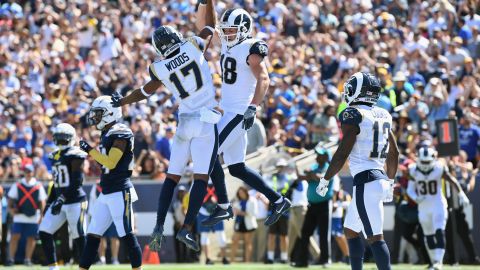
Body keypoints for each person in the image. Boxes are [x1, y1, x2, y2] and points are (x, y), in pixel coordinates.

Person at [112, 20, 222, 251]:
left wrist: (122, 101)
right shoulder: (193, 46)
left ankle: (159, 225)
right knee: (201, 178)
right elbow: (210, 26)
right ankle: (187, 228)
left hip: (184, 122)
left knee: (172, 178)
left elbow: (145, 92)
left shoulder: (158, 67)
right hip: (206, 119)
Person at [196, 4, 291, 230]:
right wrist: (204, 3)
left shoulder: (250, 46)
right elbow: (204, 25)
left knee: (208, 151)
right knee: (237, 168)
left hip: (239, 112)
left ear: (244, 29)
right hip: (228, 111)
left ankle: (223, 204)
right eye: (226, 29)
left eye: (231, 30)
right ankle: (278, 200)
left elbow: (264, 79)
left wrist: (253, 107)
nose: (227, 34)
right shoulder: (230, 44)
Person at [316, 72, 400, 270]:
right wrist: (390, 180)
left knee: (375, 237)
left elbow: (343, 152)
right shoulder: (383, 114)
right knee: (351, 230)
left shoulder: (353, 114)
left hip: (366, 181)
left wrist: (326, 178)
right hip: (378, 178)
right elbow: (394, 153)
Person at [78, 95, 142, 270]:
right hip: (106, 191)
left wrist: (90, 150)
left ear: (110, 113)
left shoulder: (121, 131)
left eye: (99, 113)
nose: (95, 117)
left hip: (120, 190)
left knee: (127, 235)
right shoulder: (106, 132)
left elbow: (111, 162)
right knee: (92, 235)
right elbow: (105, 163)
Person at [406, 146, 470, 269]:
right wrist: (415, 197)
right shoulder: (413, 169)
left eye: (427, 161)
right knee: (428, 235)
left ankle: (438, 262)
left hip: (438, 205)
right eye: (423, 161)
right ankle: (434, 261)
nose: (425, 164)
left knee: (439, 231)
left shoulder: (439, 168)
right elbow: (410, 189)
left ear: (433, 158)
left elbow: (452, 180)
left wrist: (461, 193)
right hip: (423, 207)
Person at [39, 123, 88, 270]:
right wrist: (50, 202)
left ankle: (85, 267)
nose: (60, 142)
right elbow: (56, 183)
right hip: (61, 201)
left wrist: (61, 198)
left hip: (75, 201)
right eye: (58, 138)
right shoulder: (55, 155)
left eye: (63, 139)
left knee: (79, 235)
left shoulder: (75, 154)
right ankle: (53, 267)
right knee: (44, 231)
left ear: (71, 138)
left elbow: (76, 182)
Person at [292, 147, 340, 267]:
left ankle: (326, 260)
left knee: (324, 234)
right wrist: (297, 167)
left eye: (320, 155)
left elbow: (321, 178)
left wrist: (311, 174)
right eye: (317, 155)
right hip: (312, 205)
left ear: (326, 157)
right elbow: (302, 177)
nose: (317, 157)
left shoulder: (330, 168)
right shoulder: (314, 167)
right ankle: (302, 261)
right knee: (305, 232)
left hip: (325, 204)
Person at [6, 164, 47, 266]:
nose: (28, 173)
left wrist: (42, 216)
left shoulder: (38, 185)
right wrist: (11, 210)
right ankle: (11, 259)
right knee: (15, 236)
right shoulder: (18, 185)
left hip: (33, 217)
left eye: (30, 171)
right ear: (24, 172)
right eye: (26, 171)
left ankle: (27, 259)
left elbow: (42, 202)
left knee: (31, 238)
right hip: (19, 216)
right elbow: (10, 199)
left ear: (33, 172)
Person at [265, 159, 292, 264]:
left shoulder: (290, 179)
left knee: (283, 235)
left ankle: (284, 258)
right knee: (271, 235)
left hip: (284, 211)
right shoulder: (272, 178)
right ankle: (270, 257)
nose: (280, 168)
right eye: (279, 166)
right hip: (272, 210)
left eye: (282, 166)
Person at [88, 181, 120, 265]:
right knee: (101, 238)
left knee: (114, 237)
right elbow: (92, 200)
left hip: (114, 215)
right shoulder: (96, 185)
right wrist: (92, 215)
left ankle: (115, 259)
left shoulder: (117, 183)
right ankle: (102, 259)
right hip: (100, 215)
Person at [230, 187, 257, 263]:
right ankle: (232, 261)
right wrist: (235, 212)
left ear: (246, 192)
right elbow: (233, 211)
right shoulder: (237, 201)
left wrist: (240, 212)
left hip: (249, 224)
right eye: (239, 193)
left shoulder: (252, 200)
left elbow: (253, 213)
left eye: (242, 193)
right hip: (239, 223)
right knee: (234, 241)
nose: (241, 194)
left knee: (248, 243)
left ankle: (247, 262)